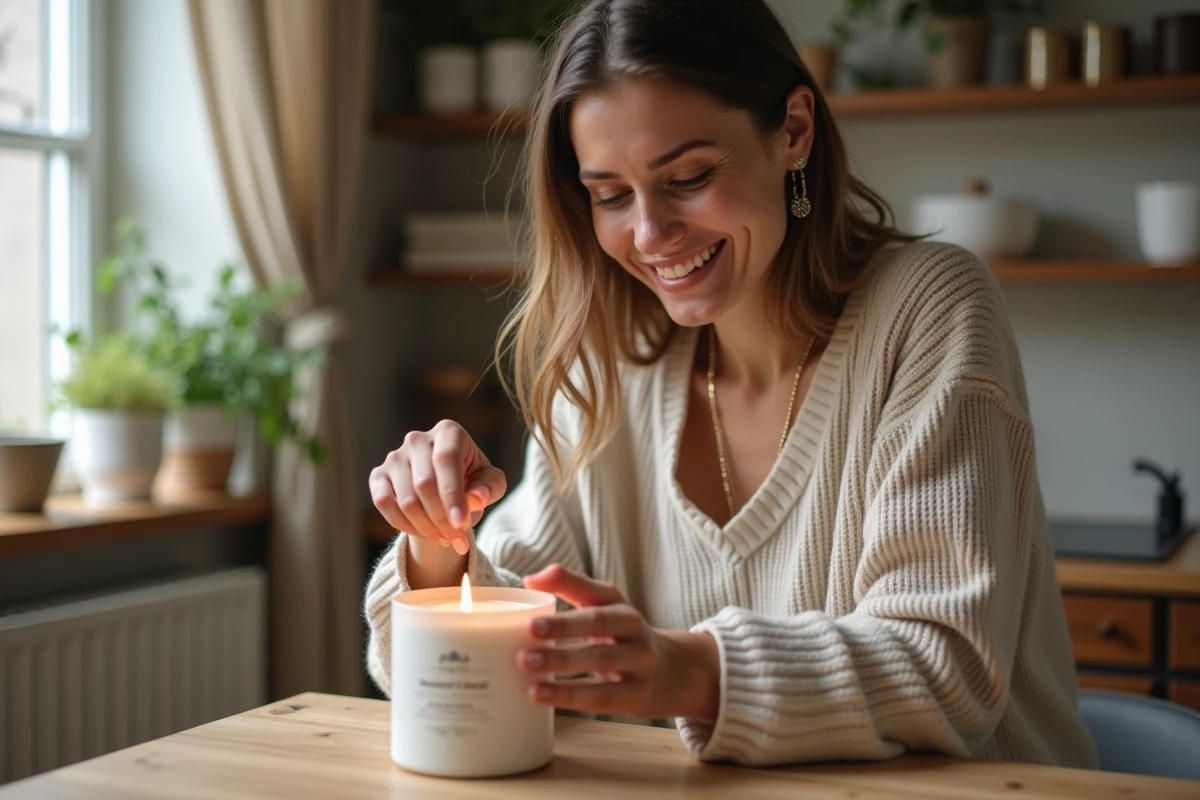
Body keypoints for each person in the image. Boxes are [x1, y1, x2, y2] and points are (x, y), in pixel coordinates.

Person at [364, 0, 1098, 769]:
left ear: (794, 132)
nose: (649, 234)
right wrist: (439, 549)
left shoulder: (930, 308)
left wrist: (691, 672)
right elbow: (472, 657)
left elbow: (947, 666)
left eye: (688, 177)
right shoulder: (611, 360)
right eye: (610, 195)